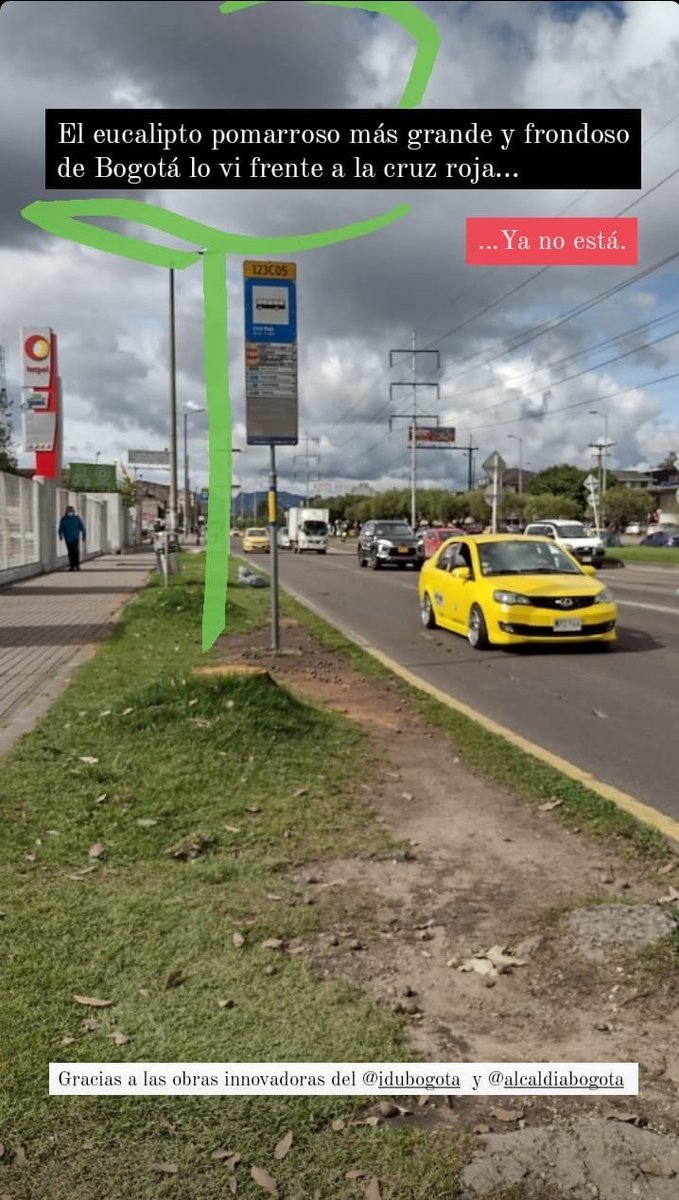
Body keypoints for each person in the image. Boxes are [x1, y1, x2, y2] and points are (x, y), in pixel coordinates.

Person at [58, 505, 86, 571]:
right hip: (67, 538)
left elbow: (82, 527)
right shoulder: (64, 519)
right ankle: (72, 566)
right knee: (70, 552)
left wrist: (84, 535)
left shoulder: (76, 518)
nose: (70, 512)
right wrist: (60, 535)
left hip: (75, 537)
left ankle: (77, 565)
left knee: (76, 551)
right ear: (66, 511)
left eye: (71, 510)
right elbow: (61, 528)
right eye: (68, 510)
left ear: (73, 511)